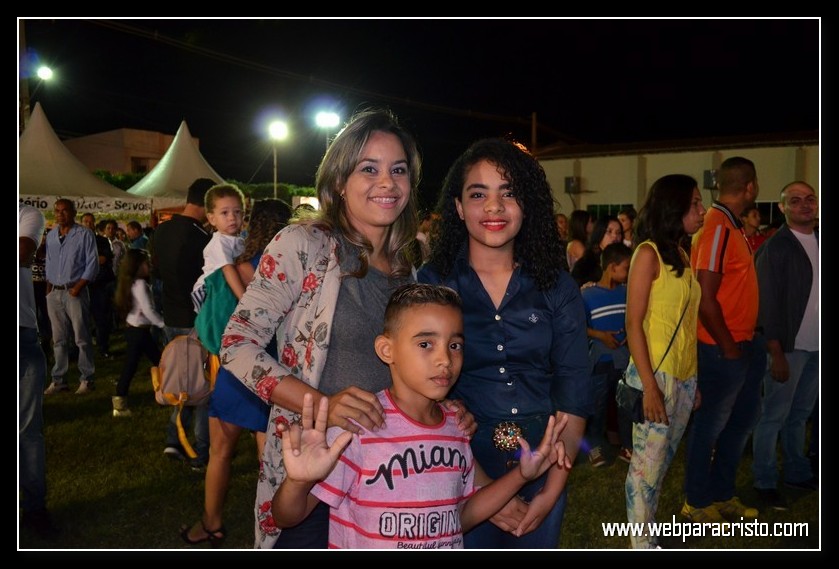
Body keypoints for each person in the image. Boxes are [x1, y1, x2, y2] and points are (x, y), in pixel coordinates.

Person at [220, 109, 474, 549]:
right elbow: (236, 345)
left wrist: (441, 407)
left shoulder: (408, 270)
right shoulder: (303, 245)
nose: (387, 182)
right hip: (316, 473)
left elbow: (406, 364)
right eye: (369, 169)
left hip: (387, 481)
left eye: (398, 170)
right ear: (339, 180)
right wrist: (323, 405)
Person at [271, 284, 571, 549]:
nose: (445, 359)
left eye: (455, 345)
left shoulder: (457, 426)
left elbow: (459, 519)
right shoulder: (359, 427)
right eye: (425, 344)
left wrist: (521, 476)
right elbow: (286, 516)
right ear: (386, 350)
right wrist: (298, 481)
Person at [418, 137, 590, 548]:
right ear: (459, 207)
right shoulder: (434, 282)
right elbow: (420, 390)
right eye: (479, 194)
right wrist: (485, 490)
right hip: (459, 466)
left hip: (546, 461)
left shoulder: (557, 286)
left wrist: (551, 492)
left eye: (508, 193)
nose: (494, 207)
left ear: (526, 204)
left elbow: (574, 390)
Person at [180, 198, 291, 547]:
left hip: (240, 366)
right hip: (276, 373)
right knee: (271, 459)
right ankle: (277, 527)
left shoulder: (239, 267)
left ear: (252, 224)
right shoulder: (293, 268)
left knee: (220, 453)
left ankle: (211, 523)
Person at [623, 174, 705, 549]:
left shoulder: (682, 254)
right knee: (645, 470)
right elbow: (633, 323)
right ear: (674, 208)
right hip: (655, 375)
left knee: (660, 465)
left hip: (683, 376)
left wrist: (693, 380)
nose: (702, 210)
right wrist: (650, 387)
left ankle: (649, 534)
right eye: (695, 203)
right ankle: (642, 544)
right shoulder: (648, 254)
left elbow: (687, 325)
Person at [682, 156, 765, 523]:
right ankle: (697, 501)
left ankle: (722, 493)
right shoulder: (717, 225)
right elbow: (705, 294)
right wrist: (728, 346)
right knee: (710, 427)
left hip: (743, 343)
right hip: (722, 348)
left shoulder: (731, 225)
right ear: (750, 187)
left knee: (740, 423)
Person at [751, 181, 819, 511]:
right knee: (773, 416)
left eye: (810, 198)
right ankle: (764, 481)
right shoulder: (775, 248)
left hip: (816, 348)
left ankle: (796, 472)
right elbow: (766, 305)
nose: (805, 205)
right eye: (795, 200)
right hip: (788, 348)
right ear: (782, 208)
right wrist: (775, 351)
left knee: (800, 415)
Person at [150, 177, 215, 470]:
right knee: (200, 388)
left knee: (178, 380)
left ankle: (173, 440)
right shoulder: (201, 238)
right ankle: (199, 452)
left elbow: (156, 271)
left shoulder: (162, 231)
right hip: (195, 319)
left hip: (170, 317)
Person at [20, 204, 59, 538]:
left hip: (21, 333)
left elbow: (22, 253)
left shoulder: (27, 215)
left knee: (28, 430)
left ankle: (34, 508)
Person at [581, 242, 633, 468]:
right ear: (612, 267)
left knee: (625, 406)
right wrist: (601, 335)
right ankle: (594, 447)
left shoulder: (626, 292)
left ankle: (627, 446)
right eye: (626, 268)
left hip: (623, 360)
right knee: (597, 406)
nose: (629, 273)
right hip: (600, 361)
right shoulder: (587, 295)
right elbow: (579, 326)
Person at [43, 198, 99, 395]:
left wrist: (78, 287)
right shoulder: (51, 235)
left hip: (74, 291)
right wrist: (49, 289)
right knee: (58, 339)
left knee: (81, 337)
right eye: (57, 211)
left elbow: (92, 264)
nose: (60, 214)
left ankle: (87, 378)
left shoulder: (84, 234)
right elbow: (49, 263)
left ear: (74, 213)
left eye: (64, 210)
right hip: (54, 292)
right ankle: (59, 379)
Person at [111, 249, 165, 418]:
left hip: (136, 330)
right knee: (134, 365)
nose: (149, 265)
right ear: (137, 266)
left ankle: (166, 392)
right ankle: (119, 403)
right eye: (145, 263)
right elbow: (148, 310)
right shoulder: (140, 284)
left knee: (158, 360)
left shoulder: (130, 283)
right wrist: (163, 324)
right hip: (139, 331)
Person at [190, 184, 246, 312]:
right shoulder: (219, 242)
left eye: (237, 211)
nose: (232, 217)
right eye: (224, 213)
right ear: (212, 219)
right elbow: (228, 270)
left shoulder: (240, 241)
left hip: (225, 290)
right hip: (210, 293)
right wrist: (244, 301)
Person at [571, 214, 623, 287]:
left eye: (618, 233)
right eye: (609, 231)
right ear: (599, 234)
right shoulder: (585, 265)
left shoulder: (625, 261)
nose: (615, 236)